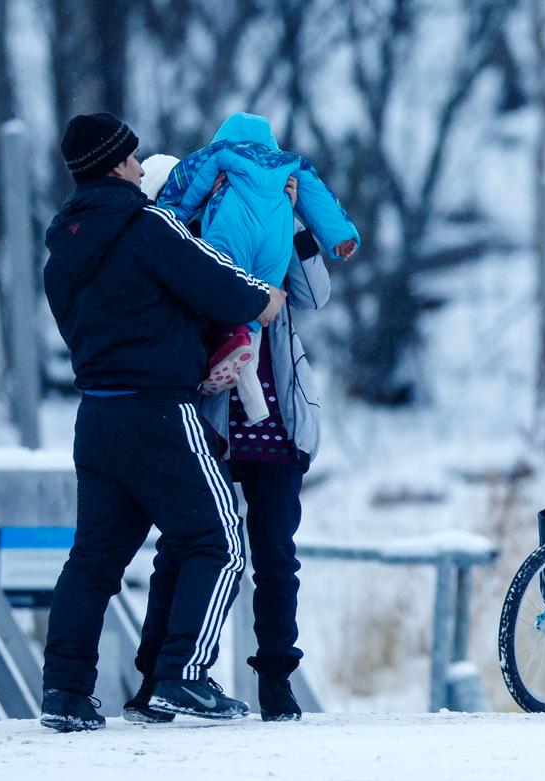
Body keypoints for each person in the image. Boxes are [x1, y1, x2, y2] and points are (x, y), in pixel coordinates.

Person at [39, 112, 287, 732]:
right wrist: (264, 299)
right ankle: (184, 676)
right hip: (159, 412)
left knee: (94, 558)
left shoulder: (62, 249)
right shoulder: (147, 226)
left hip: (96, 414)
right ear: (121, 164)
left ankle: (65, 693)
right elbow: (215, 281)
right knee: (221, 542)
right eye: (131, 157)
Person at [126, 146, 357, 723]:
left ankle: (276, 680)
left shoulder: (275, 234)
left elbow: (315, 296)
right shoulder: (198, 236)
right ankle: (158, 677)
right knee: (184, 546)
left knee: (276, 553)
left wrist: (300, 222)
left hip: (278, 419)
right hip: (212, 414)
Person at [156, 112, 359, 422]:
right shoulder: (289, 164)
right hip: (218, 426)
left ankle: (235, 355)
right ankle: (244, 367)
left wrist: (292, 222)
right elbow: (320, 196)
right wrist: (341, 236)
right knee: (250, 303)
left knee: (230, 298)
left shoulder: (223, 157)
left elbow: (315, 295)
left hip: (278, 424)